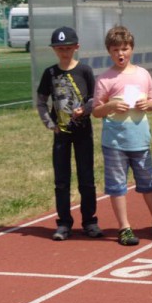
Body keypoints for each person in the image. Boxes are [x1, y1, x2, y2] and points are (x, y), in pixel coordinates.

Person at [93, 25, 152, 246]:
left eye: (124, 48)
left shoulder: (142, 74)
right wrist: (111, 106)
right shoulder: (105, 79)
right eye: (115, 50)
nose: (120, 54)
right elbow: (96, 111)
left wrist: (147, 104)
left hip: (140, 140)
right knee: (117, 186)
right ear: (109, 51)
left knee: (148, 183)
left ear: (132, 49)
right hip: (114, 143)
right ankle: (124, 227)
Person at [37, 27, 101, 241]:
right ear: (54, 50)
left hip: (83, 132)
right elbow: (41, 101)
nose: (64, 52)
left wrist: (86, 109)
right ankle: (64, 223)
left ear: (76, 47)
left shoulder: (84, 71)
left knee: (86, 178)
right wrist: (50, 124)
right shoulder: (50, 73)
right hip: (61, 134)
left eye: (68, 48)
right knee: (61, 181)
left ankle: (90, 221)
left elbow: (94, 98)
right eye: (59, 48)